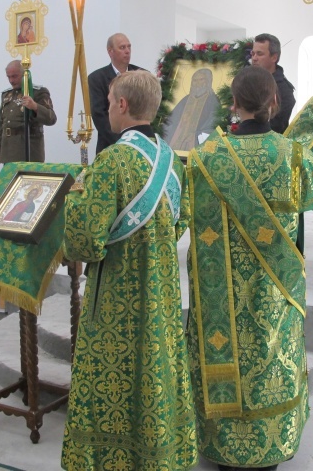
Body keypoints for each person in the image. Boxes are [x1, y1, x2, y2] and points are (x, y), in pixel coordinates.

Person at [187, 66, 313, 470]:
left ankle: (221, 444)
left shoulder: (206, 158)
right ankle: (270, 446)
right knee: (270, 357)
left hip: (220, 294)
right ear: (274, 102)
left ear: (234, 104)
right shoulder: (290, 155)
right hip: (274, 289)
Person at [61, 70, 197, 470]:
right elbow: (180, 222)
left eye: (108, 103)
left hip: (116, 298)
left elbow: (85, 240)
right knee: (157, 371)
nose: (106, 109)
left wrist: (74, 197)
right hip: (162, 292)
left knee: (113, 378)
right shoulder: (172, 160)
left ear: (122, 104)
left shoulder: (113, 161)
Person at [88, 33, 143, 154]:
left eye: (129, 47)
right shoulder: (97, 78)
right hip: (109, 146)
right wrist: (123, 143)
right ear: (110, 51)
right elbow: (99, 114)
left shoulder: (142, 75)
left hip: (140, 144)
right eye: (122, 47)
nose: (127, 51)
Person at [0, 59, 57, 164]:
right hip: (8, 151)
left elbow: (51, 118)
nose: (11, 80)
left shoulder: (38, 92)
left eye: (14, 76)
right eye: (8, 77)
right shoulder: (6, 94)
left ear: (24, 75)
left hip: (29, 150)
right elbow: (2, 123)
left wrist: (35, 106)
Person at [163, 66, 221, 151]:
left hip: (197, 143)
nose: (197, 83)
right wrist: (182, 120)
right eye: (195, 80)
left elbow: (213, 123)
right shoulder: (185, 100)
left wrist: (196, 135)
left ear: (208, 81)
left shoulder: (212, 100)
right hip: (176, 141)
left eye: (201, 79)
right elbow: (171, 121)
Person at [251, 33, 296, 133]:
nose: (254, 58)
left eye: (259, 54)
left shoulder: (284, 89)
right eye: (253, 54)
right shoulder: (248, 81)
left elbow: (277, 126)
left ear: (274, 57)